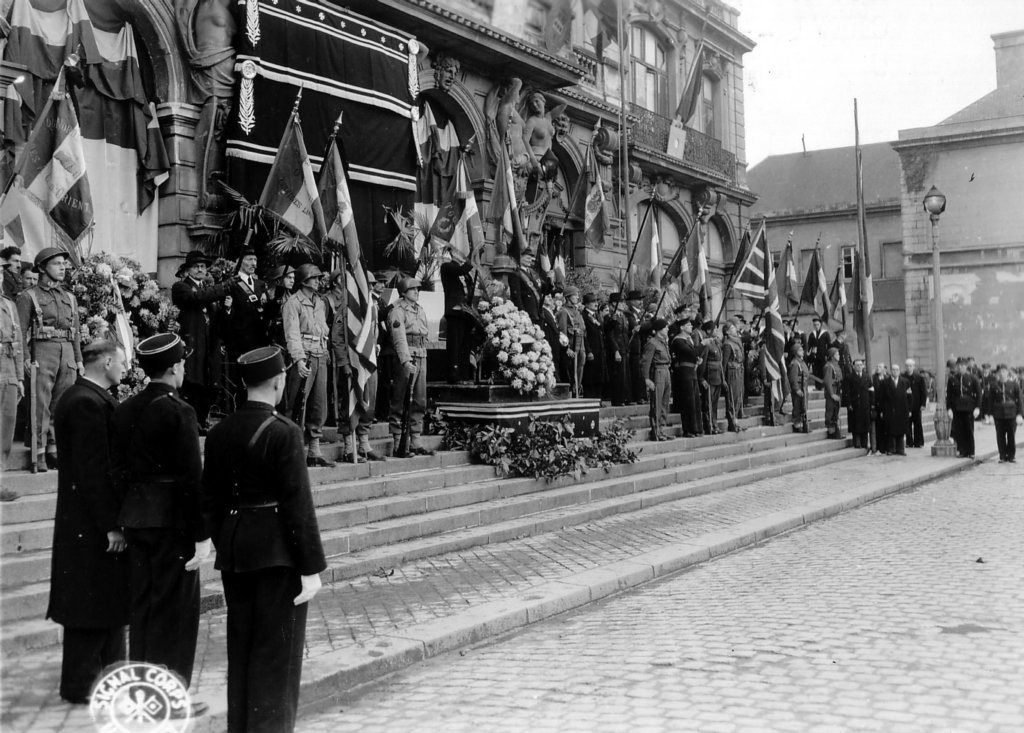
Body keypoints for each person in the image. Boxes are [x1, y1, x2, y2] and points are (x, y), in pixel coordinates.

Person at [200, 346, 326, 732]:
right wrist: (311, 568)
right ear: (278, 381)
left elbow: (212, 498)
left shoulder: (219, 432)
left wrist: (224, 541)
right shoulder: (284, 432)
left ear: (242, 382)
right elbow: (298, 506)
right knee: (277, 657)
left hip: (236, 551)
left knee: (242, 648)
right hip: (277, 555)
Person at [112, 334, 211, 702]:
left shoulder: (125, 409)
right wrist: (203, 535)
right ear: (173, 368)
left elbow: (117, 470)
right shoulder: (179, 411)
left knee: (144, 608)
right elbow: (191, 478)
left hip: (138, 517)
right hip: (174, 523)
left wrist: (127, 512)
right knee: (178, 614)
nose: (184, 368)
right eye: (182, 363)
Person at [49, 340, 129, 704]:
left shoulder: (87, 398)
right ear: (107, 361)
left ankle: (103, 679)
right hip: (90, 524)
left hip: (86, 521)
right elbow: (93, 472)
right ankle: (84, 685)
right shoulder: (85, 403)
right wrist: (111, 524)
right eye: (122, 361)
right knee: (90, 606)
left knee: (103, 604)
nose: (126, 368)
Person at [16, 248, 83, 471]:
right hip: (42, 351)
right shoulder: (29, 296)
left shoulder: (70, 298)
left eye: (64, 263)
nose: (63, 267)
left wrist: (79, 360)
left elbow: (75, 332)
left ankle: (55, 449)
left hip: (67, 353)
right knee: (41, 404)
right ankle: (40, 451)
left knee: (62, 404)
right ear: (42, 268)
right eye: (56, 263)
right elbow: (20, 330)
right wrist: (25, 359)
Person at [171, 250, 232, 432]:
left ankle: (202, 419)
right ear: (188, 270)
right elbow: (195, 298)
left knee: (210, 386)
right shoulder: (181, 287)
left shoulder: (210, 292)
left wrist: (226, 309)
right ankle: (192, 423)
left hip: (209, 346)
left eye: (203, 266)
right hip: (192, 345)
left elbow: (217, 322)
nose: (200, 269)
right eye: (196, 266)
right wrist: (222, 288)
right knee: (192, 385)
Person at [282, 264, 334, 467]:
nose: (318, 281)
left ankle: (314, 449)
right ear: (304, 281)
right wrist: (299, 358)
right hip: (304, 355)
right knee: (296, 403)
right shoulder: (292, 303)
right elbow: (292, 334)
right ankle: (293, 449)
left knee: (318, 404)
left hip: (320, 353)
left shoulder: (320, 302)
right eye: (314, 278)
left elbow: (323, 329)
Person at [389, 277, 433, 457]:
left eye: (418, 289)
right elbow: (398, 337)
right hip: (406, 356)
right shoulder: (397, 311)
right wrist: (406, 361)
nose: (417, 292)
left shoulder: (420, 310)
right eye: (413, 289)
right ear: (404, 292)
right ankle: (398, 440)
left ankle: (415, 439)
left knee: (420, 399)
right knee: (401, 398)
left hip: (421, 354)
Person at [221, 247, 269, 405]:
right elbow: (226, 316)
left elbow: (267, 314)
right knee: (242, 386)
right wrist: (227, 309)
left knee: (258, 384)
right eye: (249, 259)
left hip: (259, 342)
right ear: (239, 262)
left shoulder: (260, 285)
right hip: (240, 343)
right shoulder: (231, 284)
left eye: (255, 260)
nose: (253, 263)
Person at [439, 247, 476, 384]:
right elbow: (460, 270)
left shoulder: (465, 274)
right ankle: (453, 375)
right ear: (453, 254)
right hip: (454, 310)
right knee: (454, 344)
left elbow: (469, 286)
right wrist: (474, 254)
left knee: (465, 344)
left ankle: (464, 375)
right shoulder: (447, 267)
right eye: (459, 252)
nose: (462, 256)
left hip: (466, 311)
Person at [0, 288, 24, 469]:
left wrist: (20, 378)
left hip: (8, 370)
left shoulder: (8, 305)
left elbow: (18, 344)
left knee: (7, 423)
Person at [670, 317, 702, 438]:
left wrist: (697, 359)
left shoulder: (689, 340)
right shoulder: (678, 340)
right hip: (684, 373)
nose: (691, 327)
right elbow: (691, 353)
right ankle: (688, 429)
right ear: (682, 327)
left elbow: (694, 354)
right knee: (688, 402)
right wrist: (702, 345)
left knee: (695, 402)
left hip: (692, 372)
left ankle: (697, 428)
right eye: (688, 325)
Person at [641, 317, 672, 441]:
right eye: (665, 327)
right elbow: (645, 362)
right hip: (658, 371)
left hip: (666, 370)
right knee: (657, 402)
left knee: (665, 402)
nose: (667, 329)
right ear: (659, 329)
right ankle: (656, 430)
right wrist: (647, 379)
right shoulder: (652, 343)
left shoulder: (663, 342)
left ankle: (662, 429)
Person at [987, 364, 1024, 463]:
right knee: (1000, 435)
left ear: (1008, 372)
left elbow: (1020, 400)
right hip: (999, 414)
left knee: (1011, 435)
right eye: (1000, 372)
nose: (1002, 374)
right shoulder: (994, 385)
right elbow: (990, 401)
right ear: (998, 373)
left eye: (1004, 371)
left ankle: (1011, 456)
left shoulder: (1014, 385)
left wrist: (1020, 414)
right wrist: (990, 415)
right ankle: (1002, 456)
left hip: (1012, 413)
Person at [946, 357, 981, 459]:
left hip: (969, 408)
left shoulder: (973, 378)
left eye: (962, 366)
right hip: (957, 408)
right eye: (959, 366)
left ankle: (971, 451)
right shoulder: (952, 379)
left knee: (969, 430)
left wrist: (977, 408)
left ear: (966, 366)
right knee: (959, 430)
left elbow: (978, 394)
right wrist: (949, 409)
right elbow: (949, 396)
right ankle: (962, 451)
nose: (960, 367)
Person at [556, 286, 585, 396]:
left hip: (580, 345)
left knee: (580, 369)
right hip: (571, 347)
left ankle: (577, 389)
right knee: (572, 372)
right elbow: (563, 332)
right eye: (575, 295)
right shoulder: (564, 312)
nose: (577, 297)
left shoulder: (577, 312)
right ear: (568, 297)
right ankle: (572, 392)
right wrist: (566, 348)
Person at [603, 293, 630, 405]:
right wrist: (616, 350)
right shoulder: (609, 317)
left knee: (624, 376)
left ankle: (624, 397)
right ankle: (618, 400)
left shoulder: (622, 316)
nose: (623, 304)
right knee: (617, 376)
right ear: (614, 303)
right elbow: (610, 334)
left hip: (624, 347)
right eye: (621, 301)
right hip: (616, 349)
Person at [698, 321, 724, 434]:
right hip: (709, 377)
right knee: (708, 403)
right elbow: (702, 363)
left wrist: (722, 379)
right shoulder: (707, 344)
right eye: (715, 329)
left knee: (715, 403)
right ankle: (709, 426)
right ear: (709, 331)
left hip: (717, 377)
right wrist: (701, 378)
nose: (717, 331)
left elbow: (720, 362)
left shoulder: (717, 343)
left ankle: (714, 424)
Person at [879, 362, 911, 455]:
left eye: (897, 370)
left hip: (902, 410)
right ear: (890, 371)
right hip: (889, 410)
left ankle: (900, 449)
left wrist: (909, 409)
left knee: (901, 430)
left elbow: (909, 396)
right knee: (890, 431)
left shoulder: (905, 382)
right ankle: (891, 449)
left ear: (899, 371)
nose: (895, 371)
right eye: (893, 370)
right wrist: (881, 410)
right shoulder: (884, 382)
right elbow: (881, 398)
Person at [507, 248, 545, 324]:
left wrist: (550, 280)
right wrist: (522, 312)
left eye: (531, 259)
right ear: (520, 258)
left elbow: (543, 289)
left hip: (537, 312)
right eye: (528, 258)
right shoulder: (516, 274)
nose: (530, 260)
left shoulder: (533, 273)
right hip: (527, 312)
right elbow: (516, 297)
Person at [843, 358, 873, 450]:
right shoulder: (849, 377)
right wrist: (849, 404)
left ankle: (864, 443)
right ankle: (857, 442)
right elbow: (846, 392)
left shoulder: (867, 377)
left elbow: (871, 390)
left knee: (865, 424)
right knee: (855, 424)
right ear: (853, 366)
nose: (859, 367)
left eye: (861, 365)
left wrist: (871, 403)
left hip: (865, 404)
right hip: (855, 404)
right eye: (857, 365)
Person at [581, 292, 605, 399]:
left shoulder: (597, 315)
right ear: (586, 304)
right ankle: (590, 398)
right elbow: (584, 335)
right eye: (592, 302)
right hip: (591, 348)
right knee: (590, 375)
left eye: (596, 301)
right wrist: (588, 350)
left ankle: (598, 398)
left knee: (599, 375)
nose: (596, 304)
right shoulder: (584, 316)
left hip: (599, 348)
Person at [722, 321, 745, 430]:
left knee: (738, 396)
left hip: (739, 370)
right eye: (732, 328)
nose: (735, 329)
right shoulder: (727, 344)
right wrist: (723, 379)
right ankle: (732, 422)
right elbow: (724, 363)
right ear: (727, 332)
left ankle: (736, 420)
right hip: (732, 372)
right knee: (732, 396)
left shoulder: (737, 342)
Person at [904, 358, 928, 448]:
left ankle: (918, 442)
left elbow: (923, 392)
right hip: (906, 405)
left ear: (913, 367)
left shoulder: (919, 378)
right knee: (907, 424)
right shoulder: (903, 377)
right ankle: (909, 442)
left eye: (910, 366)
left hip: (917, 404)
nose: (908, 368)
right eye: (907, 366)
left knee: (918, 424)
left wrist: (923, 404)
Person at [788, 342, 811, 433]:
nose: (802, 351)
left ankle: (802, 422)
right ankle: (796, 424)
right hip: (799, 387)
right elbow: (793, 378)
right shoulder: (795, 363)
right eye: (800, 350)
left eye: (802, 349)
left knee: (804, 406)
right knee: (797, 406)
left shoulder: (802, 362)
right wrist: (796, 389)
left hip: (804, 387)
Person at [822, 347, 844, 439]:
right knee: (830, 411)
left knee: (836, 411)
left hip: (837, 390)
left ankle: (835, 430)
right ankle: (831, 431)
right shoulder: (829, 366)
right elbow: (827, 381)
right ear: (832, 356)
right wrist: (832, 394)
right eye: (837, 354)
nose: (839, 355)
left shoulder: (836, 365)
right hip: (832, 391)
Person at [805, 316, 831, 384]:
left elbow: (829, 345)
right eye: (815, 325)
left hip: (823, 355)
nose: (816, 326)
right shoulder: (812, 334)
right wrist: (808, 352)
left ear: (820, 325)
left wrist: (827, 355)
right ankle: (817, 386)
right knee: (816, 370)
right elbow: (809, 345)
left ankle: (823, 386)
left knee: (823, 370)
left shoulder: (825, 333)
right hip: (814, 355)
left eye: (817, 324)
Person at [872, 362, 890, 454]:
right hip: (877, 406)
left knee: (886, 428)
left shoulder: (888, 378)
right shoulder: (873, 378)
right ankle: (880, 447)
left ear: (884, 369)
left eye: (880, 367)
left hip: (886, 406)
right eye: (877, 366)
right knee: (878, 428)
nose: (878, 368)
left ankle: (888, 447)